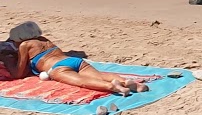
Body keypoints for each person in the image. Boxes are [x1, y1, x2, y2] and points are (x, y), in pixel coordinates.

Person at [12, 28, 149, 96]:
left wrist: (8, 59)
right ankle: (127, 81)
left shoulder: (25, 45)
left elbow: (18, 72)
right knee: (100, 74)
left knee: (81, 81)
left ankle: (115, 87)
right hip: (73, 60)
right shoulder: (44, 39)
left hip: (57, 68)